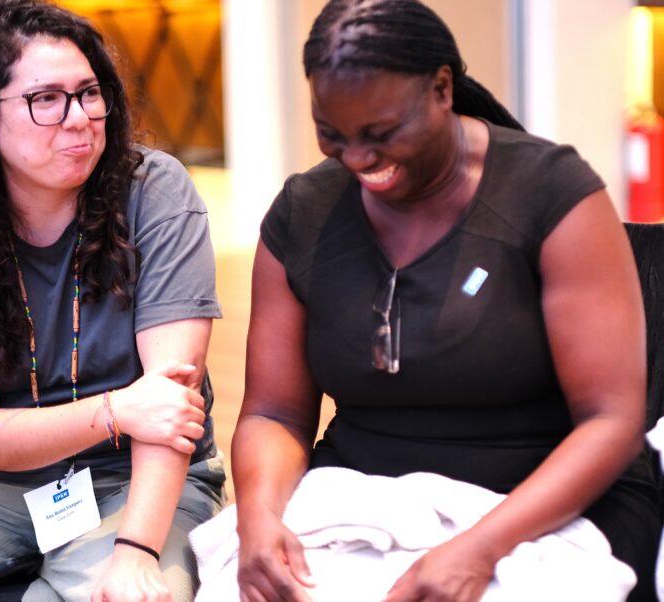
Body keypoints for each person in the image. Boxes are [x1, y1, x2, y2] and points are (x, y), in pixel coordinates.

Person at [230, 1, 661, 601]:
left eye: (381, 134)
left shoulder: (552, 194)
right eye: (332, 133)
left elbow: (610, 423)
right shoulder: (303, 213)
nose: (357, 159)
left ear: (441, 88)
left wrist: (479, 548)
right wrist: (258, 518)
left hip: (545, 500)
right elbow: (274, 414)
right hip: (364, 495)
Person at [0, 0, 225, 600]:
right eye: (45, 99)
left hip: (133, 481)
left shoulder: (157, 194)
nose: (79, 118)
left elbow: (169, 411)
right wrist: (116, 410)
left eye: (90, 93)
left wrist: (137, 551)